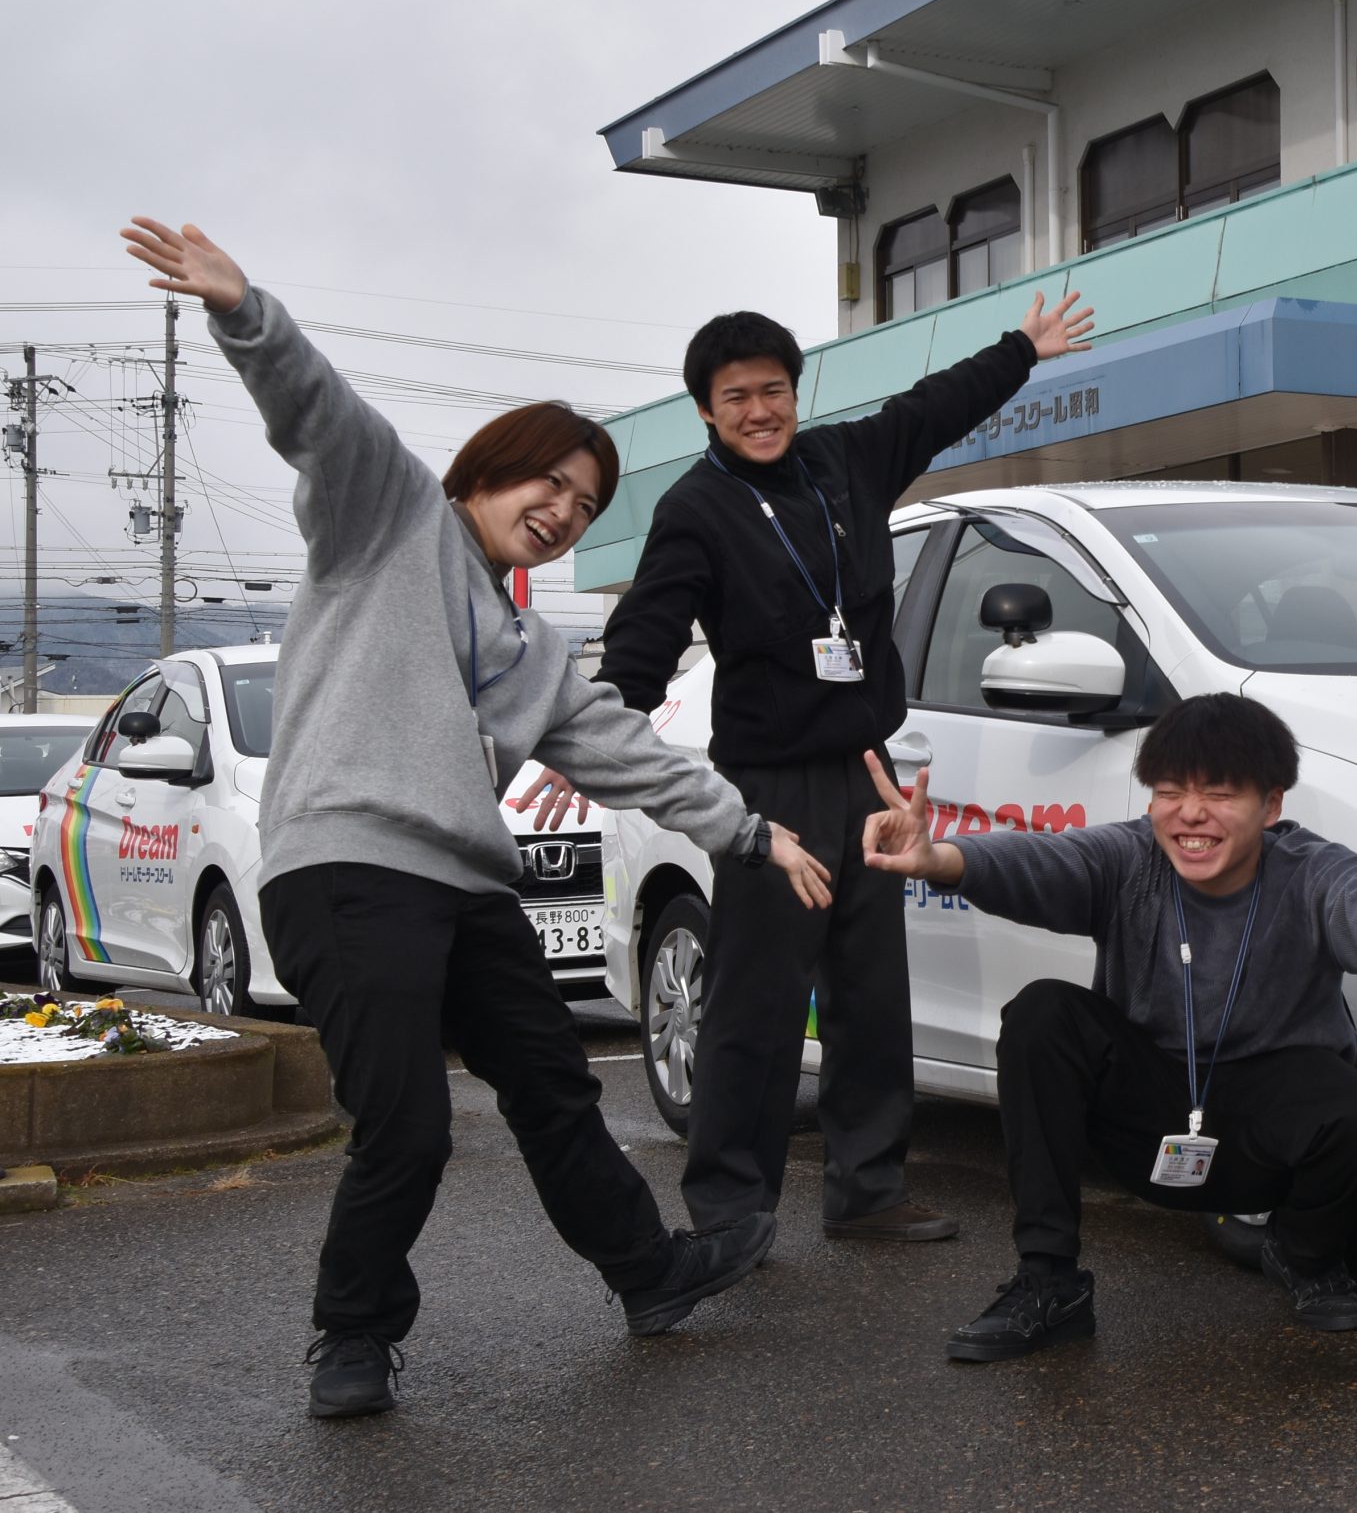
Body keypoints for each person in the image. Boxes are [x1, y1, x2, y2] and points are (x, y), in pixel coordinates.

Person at [120, 218, 836, 1421]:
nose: (561, 510)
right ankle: (353, 1335)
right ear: (485, 471)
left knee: (556, 1086)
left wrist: (751, 832)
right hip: (347, 867)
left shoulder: (530, 647)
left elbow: (625, 750)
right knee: (405, 1123)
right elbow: (321, 414)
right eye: (546, 481)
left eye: (584, 504)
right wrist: (246, 312)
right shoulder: (388, 516)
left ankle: (650, 1274)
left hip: (466, 886)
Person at [523, 290, 1094, 1247]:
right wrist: (593, 739)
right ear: (706, 411)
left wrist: (1021, 349)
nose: (760, 411)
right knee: (757, 1002)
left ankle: (868, 1189)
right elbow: (645, 639)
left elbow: (933, 407)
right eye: (736, 397)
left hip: (869, 775)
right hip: (770, 787)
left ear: (797, 392)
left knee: (872, 991)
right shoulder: (697, 510)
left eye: (774, 391)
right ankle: (731, 1210)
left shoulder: (844, 462)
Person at [856, 693, 1357, 1360]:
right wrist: (940, 859)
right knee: (1043, 1015)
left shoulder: (1310, 868)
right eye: (1170, 792)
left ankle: (1304, 1256)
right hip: (1150, 1110)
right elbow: (1037, 863)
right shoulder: (1129, 859)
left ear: (1271, 806)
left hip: (1269, 1126)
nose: (1190, 814)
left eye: (1219, 794)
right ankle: (1049, 1282)